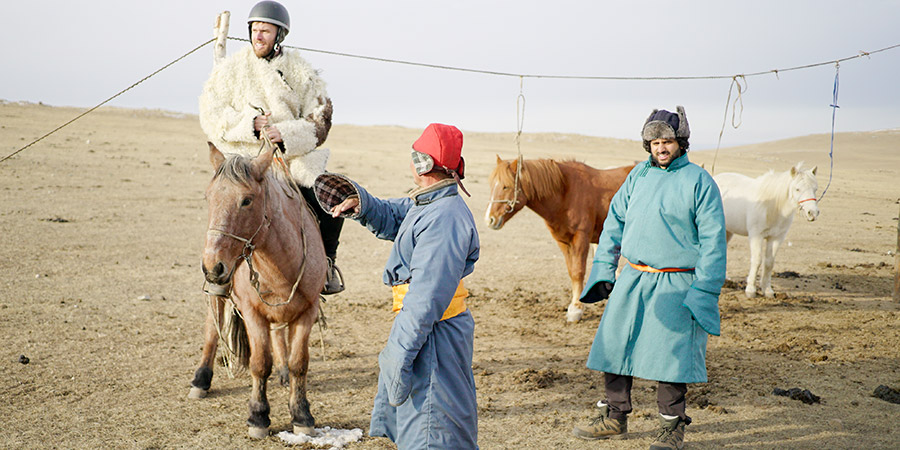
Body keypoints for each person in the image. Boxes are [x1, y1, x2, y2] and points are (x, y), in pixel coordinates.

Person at [314, 123, 480, 449]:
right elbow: (398, 216)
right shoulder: (432, 204)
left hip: (434, 336)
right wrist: (360, 202)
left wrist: (398, 353)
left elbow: (426, 298)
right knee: (422, 425)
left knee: (433, 431)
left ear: (423, 164)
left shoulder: (445, 217)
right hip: (428, 331)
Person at [571, 106, 727, 450]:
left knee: (672, 357)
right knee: (615, 345)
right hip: (635, 277)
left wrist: (705, 289)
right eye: (655, 141)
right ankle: (614, 417)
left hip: (677, 282)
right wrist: (604, 270)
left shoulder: (699, 182)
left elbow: (714, 242)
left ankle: (672, 429)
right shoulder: (638, 176)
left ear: (680, 142)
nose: (661, 147)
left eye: (667, 140)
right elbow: (614, 223)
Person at [198, 0, 345, 294]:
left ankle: (327, 263)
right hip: (245, 159)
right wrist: (250, 123)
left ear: (280, 35)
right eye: (254, 30)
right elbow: (210, 112)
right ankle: (220, 273)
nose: (258, 36)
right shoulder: (232, 70)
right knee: (227, 206)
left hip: (291, 160)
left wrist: (284, 133)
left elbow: (320, 121)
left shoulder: (302, 73)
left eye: (265, 31)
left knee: (332, 196)